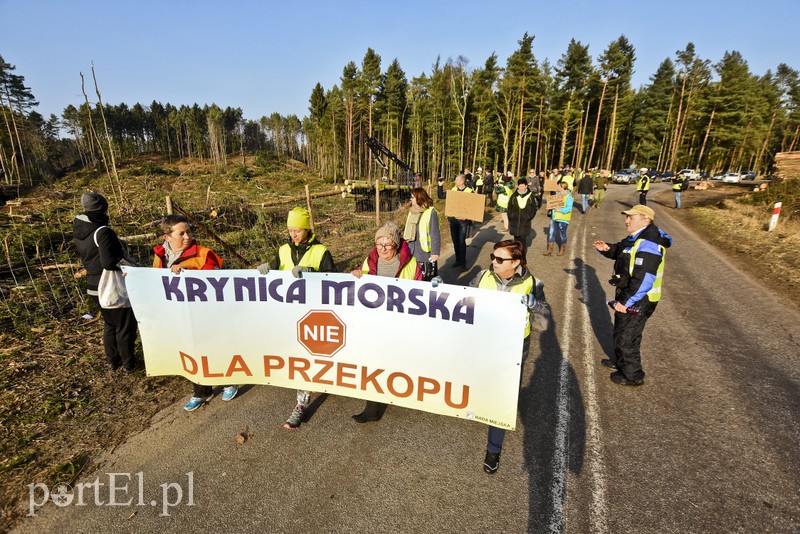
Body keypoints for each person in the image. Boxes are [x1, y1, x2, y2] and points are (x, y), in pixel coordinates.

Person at [470, 240, 550, 474]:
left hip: (512, 348)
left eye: (500, 259)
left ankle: (493, 449)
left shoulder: (533, 283)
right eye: (493, 257)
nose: (494, 262)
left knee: (502, 396)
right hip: (482, 343)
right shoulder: (483, 276)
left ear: (516, 263)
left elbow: (543, 323)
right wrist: (439, 289)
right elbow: (462, 300)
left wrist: (535, 305)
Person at [256, 207, 336, 429]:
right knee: (298, 358)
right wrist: (265, 270)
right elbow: (274, 272)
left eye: (297, 230)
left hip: (314, 314)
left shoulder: (321, 251)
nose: (293, 235)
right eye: (290, 230)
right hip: (288, 313)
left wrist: (311, 272)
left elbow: (335, 280)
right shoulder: (282, 250)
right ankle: (302, 399)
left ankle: (310, 397)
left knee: (313, 356)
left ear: (306, 229)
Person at [153, 214, 239, 411]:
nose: (187, 237)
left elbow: (215, 280)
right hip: (181, 315)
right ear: (167, 237)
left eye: (189, 232)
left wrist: (188, 271)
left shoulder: (203, 254)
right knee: (191, 351)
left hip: (206, 313)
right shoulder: (159, 255)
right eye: (181, 233)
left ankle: (228, 381)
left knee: (214, 346)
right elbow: (155, 281)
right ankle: (201, 391)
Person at [350, 222, 423, 422]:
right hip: (374, 323)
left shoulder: (410, 263)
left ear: (397, 245)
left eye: (388, 244)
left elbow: (420, 291)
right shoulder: (370, 259)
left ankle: (400, 394)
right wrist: (356, 274)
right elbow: (360, 282)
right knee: (372, 363)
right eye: (379, 244)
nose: (382, 249)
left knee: (395, 362)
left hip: (399, 323)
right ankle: (371, 409)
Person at [593, 205, 672, 386]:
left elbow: (644, 278)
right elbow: (622, 250)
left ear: (646, 219)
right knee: (621, 330)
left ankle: (633, 375)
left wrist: (625, 302)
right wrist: (607, 249)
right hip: (630, 295)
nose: (626, 220)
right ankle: (621, 362)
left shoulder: (649, 243)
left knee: (628, 337)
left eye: (631, 218)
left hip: (639, 299)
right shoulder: (636, 237)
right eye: (627, 217)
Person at [73, 192, 139, 373]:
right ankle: (129, 364)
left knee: (110, 324)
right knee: (125, 326)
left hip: (93, 286)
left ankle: (113, 361)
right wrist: (130, 266)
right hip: (110, 286)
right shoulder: (103, 232)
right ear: (103, 208)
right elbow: (109, 262)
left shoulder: (81, 230)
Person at [404, 188, 441, 281]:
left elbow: (435, 234)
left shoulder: (430, 212)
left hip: (425, 254)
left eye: (413, 197)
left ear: (419, 198)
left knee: (426, 279)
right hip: (412, 251)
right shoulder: (412, 211)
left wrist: (435, 252)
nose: (410, 199)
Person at [447, 174, 474, 269]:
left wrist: (467, 216)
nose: (455, 181)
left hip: (462, 222)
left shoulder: (469, 191)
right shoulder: (453, 190)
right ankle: (457, 260)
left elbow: (473, 207)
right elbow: (442, 196)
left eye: (456, 180)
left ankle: (463, 264)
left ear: (461, 182)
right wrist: (440, 185)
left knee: (461, 242)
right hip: (453, 220)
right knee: (455, 241)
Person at [506, 178, 537, 256]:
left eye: (523, 186)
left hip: (525, 221)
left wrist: (529, 217)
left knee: (522, 239)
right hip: (515, 221)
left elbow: (534, 207)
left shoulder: (530, 196)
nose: (521, 188)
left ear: (526, 186)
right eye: (520, 186)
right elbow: (509, 207)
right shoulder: (514, 196)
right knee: (516, 238)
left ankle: (522, 255)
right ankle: (517, 254)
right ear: (518, 186)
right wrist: (510, 216)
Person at [544, 181, 573, 257]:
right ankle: (549, 250)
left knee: (562, 234)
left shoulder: (568, 196)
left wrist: (560, 209)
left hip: (563, 219)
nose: (557, 187)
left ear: (562, 187)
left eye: (559, 186)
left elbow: (569, 208)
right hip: (554, 218)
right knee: (551, 233)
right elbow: (553, 205)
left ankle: (562, 250)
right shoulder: (556, 195)